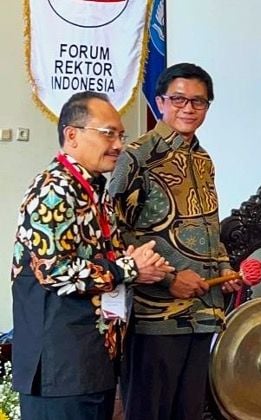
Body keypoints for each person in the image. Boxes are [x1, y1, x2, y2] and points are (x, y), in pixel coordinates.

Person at [10, 91, 173, 420]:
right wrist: (128, 268)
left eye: (121, 135)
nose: (118, 145)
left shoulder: (97, 189)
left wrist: (138, 262)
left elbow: (103, 258)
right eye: (108, 134)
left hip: (93, 358)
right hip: (60, 366)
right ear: (72, 135)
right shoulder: (54, 188)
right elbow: (54, 271)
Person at [109, 62, 240, 420]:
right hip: (155, 315)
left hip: (204, 309)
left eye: (199, 101)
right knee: (149, 412)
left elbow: (208, 223)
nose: (188, 108)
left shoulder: (203, 159)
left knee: (189, 412)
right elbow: (114, 232)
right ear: (160, 102)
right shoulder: (137, 155)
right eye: (179, 99)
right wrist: (169, 279)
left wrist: (225, 269)